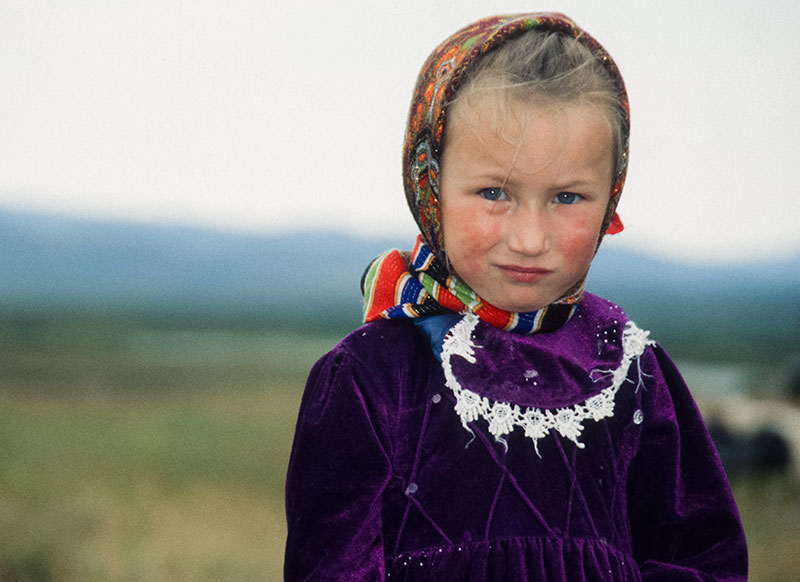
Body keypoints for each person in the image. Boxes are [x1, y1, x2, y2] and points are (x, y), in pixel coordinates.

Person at [284, 13, 748, 581]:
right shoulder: (369, 379)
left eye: (567, 197)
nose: (530, 239)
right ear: (430, 185)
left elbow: (706, 556)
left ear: (611, 196)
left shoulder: (630, 370)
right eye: (494, 192)